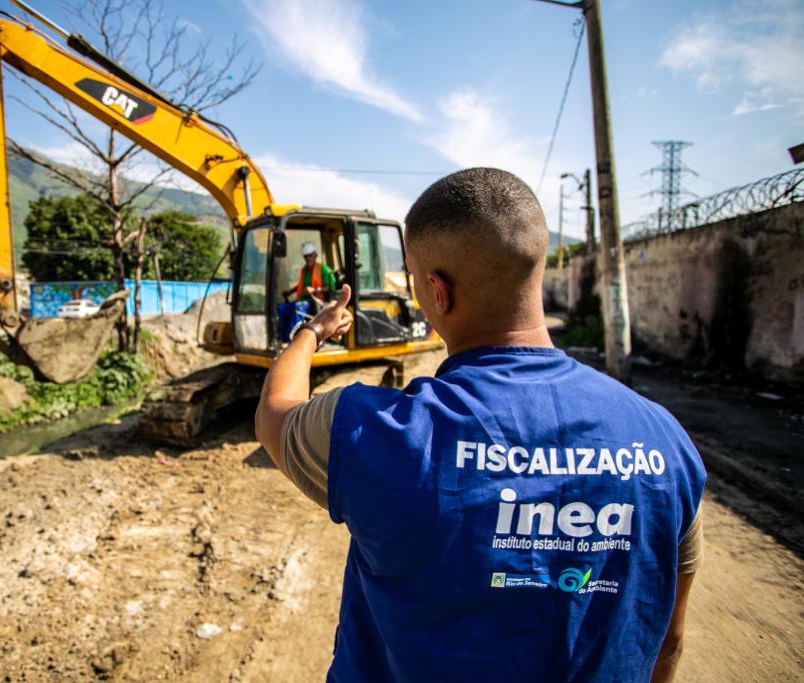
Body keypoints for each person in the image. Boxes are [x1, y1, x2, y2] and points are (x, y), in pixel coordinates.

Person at [255, 168, 705, 682]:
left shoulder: (369, 431)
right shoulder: (665, 440)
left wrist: (312, 331)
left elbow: (275, 413)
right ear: (534, 273)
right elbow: (669, 641)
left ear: (436, 292)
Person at [278, 241, 338, 342]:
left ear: (315, 255)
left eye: (310, 256)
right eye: (306, 256)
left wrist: (315, 290)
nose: (308, 258)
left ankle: (295, 341)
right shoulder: (304, 270)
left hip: (317, 302)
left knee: (298, 307)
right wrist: (289, 292)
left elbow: (331, 287)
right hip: (303, 299)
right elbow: (301, 286)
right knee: (281, 308)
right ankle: (284, 339)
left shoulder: (324, 270)